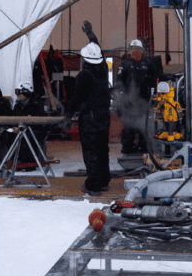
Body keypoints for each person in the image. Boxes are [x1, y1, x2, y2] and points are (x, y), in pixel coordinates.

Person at [67, 21, 113, 196]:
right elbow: (97, 48)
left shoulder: (83, 76)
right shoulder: (102, 68)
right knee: (103, 149)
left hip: (90, 119)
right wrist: (90, 34)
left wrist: (68, 116)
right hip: (103, 116)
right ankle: (103, 181)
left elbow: (75, 98)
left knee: (91, 151)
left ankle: (93, 185)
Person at [116, 39, 163, 155]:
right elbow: (119, 82)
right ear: (129, 51)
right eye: (132, 50)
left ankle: (144, 146)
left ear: (142, 51)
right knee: (129, 125)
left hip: (145, 101)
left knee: (146, 124)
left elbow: (157, 78)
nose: (135, 52)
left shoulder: (148, 64)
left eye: (137, 50)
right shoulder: (125, 64)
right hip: (129, 102)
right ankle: (127, 147)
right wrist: (122, 98)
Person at [8, 80, 48, 168]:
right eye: (16, 92)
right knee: (8, 135)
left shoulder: (37, 104)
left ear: (26, 93)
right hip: (21, 129)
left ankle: (28, 163)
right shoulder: (17, 106)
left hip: (36, 130)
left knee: (28, 136)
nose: (17, 95)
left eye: (18, 92)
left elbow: (40, 122)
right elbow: (13, 119)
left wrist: (24, 127)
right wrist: (14, 128)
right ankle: (13, 161)